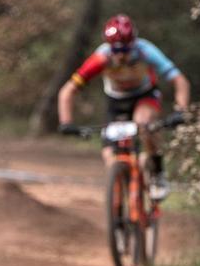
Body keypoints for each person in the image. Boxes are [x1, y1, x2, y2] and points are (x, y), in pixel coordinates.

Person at [57, 14, 190, 198]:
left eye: (125, 49)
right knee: (109, 157)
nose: (120, 55)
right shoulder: (101, 58)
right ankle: (121, 208)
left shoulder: (145, 51)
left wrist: (181, 110)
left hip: (144, 96)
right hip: (116, 101)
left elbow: (180, 80)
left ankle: (157, 171)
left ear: (133, 43)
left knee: (143, 123)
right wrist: (66, 123)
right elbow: (67, 91)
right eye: (116, 49)